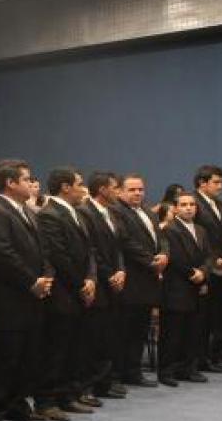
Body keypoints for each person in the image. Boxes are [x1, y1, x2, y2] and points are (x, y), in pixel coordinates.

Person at [0, 159, 51, 421]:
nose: (32, 183)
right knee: (2, 356)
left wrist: (46, 276)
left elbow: (42, 250)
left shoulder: (26, 211)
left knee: (25, 354)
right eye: (27, 179)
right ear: (10, 183)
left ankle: (16, 403)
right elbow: (2, 253)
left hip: (30, 295)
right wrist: (32, 281)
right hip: (6, 297)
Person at [35, 167, 98, 419]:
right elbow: (58, 256)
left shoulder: (77, 213)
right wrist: (81, 284)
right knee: (56, 349)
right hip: (62, 291)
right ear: (65, 187)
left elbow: (89, 250)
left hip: (79, 288)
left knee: (74, 347)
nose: (84, 188)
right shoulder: (49, 214)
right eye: (80, 184)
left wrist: (91, 278)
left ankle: (68, 395)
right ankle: (47, 401)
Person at [76, 171, 128, 401]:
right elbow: (91, 250)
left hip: (114, 280)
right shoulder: (85, 212)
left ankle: (104, 382)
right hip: (99, 280)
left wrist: (121, 270)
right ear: (102, 189)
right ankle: (91, 383)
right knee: (94, 337)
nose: (118, 192)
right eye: (115, 187)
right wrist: (110, 274)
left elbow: (119, 246)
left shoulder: (112, 212)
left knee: (109, 334)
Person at [114, 174, 168, 387]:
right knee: (124, 329)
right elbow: (125, 242)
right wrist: (151, 261)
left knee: (140, 328)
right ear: (120, 191)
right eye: (132, 189)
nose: (137, 193)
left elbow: (161, 237)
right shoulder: (117, 211)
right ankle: (120, 373)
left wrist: (164, 254)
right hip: (132, 277)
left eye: (140, 189)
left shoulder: (148, 211)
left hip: (149, 279)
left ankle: (134, 371)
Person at [158, 192, 211, 385]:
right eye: (184, 204)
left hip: (197, 286)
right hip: (177, 286)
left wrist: (204, 272)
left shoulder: (201, 230)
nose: (189, 208)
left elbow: (209, 256)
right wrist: (193, 273)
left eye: (192, 204)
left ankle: (187, 368)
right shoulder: (169, 229)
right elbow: (175, 257)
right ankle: (167, 371)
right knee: (173, 332)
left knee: (193, 330)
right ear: (176, 208)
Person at [192, 165, 222, 373]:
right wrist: (213, 258)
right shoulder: (192, 203)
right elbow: (195, 237)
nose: (220, 186)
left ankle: (215, 355)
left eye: (221, 182)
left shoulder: (220, 205)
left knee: (221, 313)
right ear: (202, 183)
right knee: (203, 316)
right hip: (204, 265)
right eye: (216, 182)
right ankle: (200, 358)